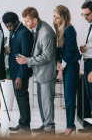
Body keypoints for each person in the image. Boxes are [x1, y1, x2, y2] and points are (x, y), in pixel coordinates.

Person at [16, 7, 57, 136]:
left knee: (46, 102)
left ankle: (49, 129)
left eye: (27, 21)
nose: (25, 24)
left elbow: (46, 56)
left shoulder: (45, 31)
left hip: (46, 74)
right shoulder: (37, 28)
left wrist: (26, 61)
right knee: (42, 101)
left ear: (34, 19)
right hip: (41, 73)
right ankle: (45, 125)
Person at [2, 12, 33, 136]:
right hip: (15, 71)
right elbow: (18, 50)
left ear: (16, 22)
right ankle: (22, 123)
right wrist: (10, 51)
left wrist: (20, 76)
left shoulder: (24, 32)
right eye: (6, 26)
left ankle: (25, 128)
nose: (8, 28)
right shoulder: (14, 31)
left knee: (22, 99)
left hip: (21, 73)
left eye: (9, 26)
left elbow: (26, 55)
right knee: (20, 99)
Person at [53, 5, 81, 136]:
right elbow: (60, 50)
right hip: (65, 65)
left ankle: (70, 126)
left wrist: (61, 67)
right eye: (54, 16)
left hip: (71, 66)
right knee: (68, 97)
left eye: (57, 17)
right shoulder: (60, 29)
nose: (54, 19)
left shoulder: (70, 29)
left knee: (69, 98)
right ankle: (71, 125)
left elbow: (69, 51)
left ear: (63, 18)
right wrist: (58, 61)